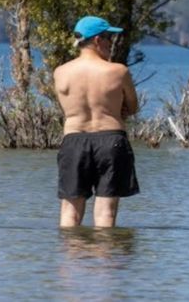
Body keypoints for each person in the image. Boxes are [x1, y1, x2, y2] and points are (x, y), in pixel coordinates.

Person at [53, 16, 140, 228]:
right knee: (105, 215)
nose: (111, 43)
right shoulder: (118, 71)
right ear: (98, 40)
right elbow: (133, 107)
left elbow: (67, 107)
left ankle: (72, 260)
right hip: (111, 141)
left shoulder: (60, 72)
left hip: (74, 140)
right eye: (109, 38)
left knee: (69, 214)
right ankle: (104, 261)